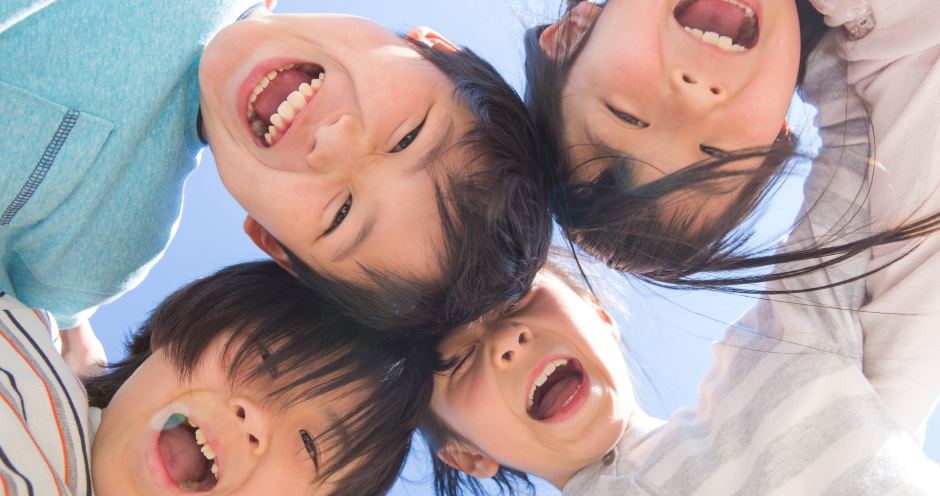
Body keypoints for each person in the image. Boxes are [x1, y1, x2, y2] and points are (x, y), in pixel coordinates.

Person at [0, 0, 552, 341]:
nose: (331, 143)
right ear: (430, 48)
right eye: (407, 136)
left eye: (341, 214)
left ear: (273, 244)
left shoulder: (98, 254)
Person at [528, 0, 940, 444]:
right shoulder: (893, 56)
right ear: (774, 137)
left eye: (627, 115)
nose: (695, 92)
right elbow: (878, 421)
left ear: (573, 33)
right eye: (715, 155)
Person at [423, 260, 940, 495]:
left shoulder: (777, 354)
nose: (507, 340)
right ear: (467, 454)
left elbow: (863, 167)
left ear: (598, 312)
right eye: (458, 360)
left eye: (518, 297)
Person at [0, 260, 436, 496]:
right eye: (264, 361)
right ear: (185, 323)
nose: (253, 417)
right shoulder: (19, 347)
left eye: (310, 443)